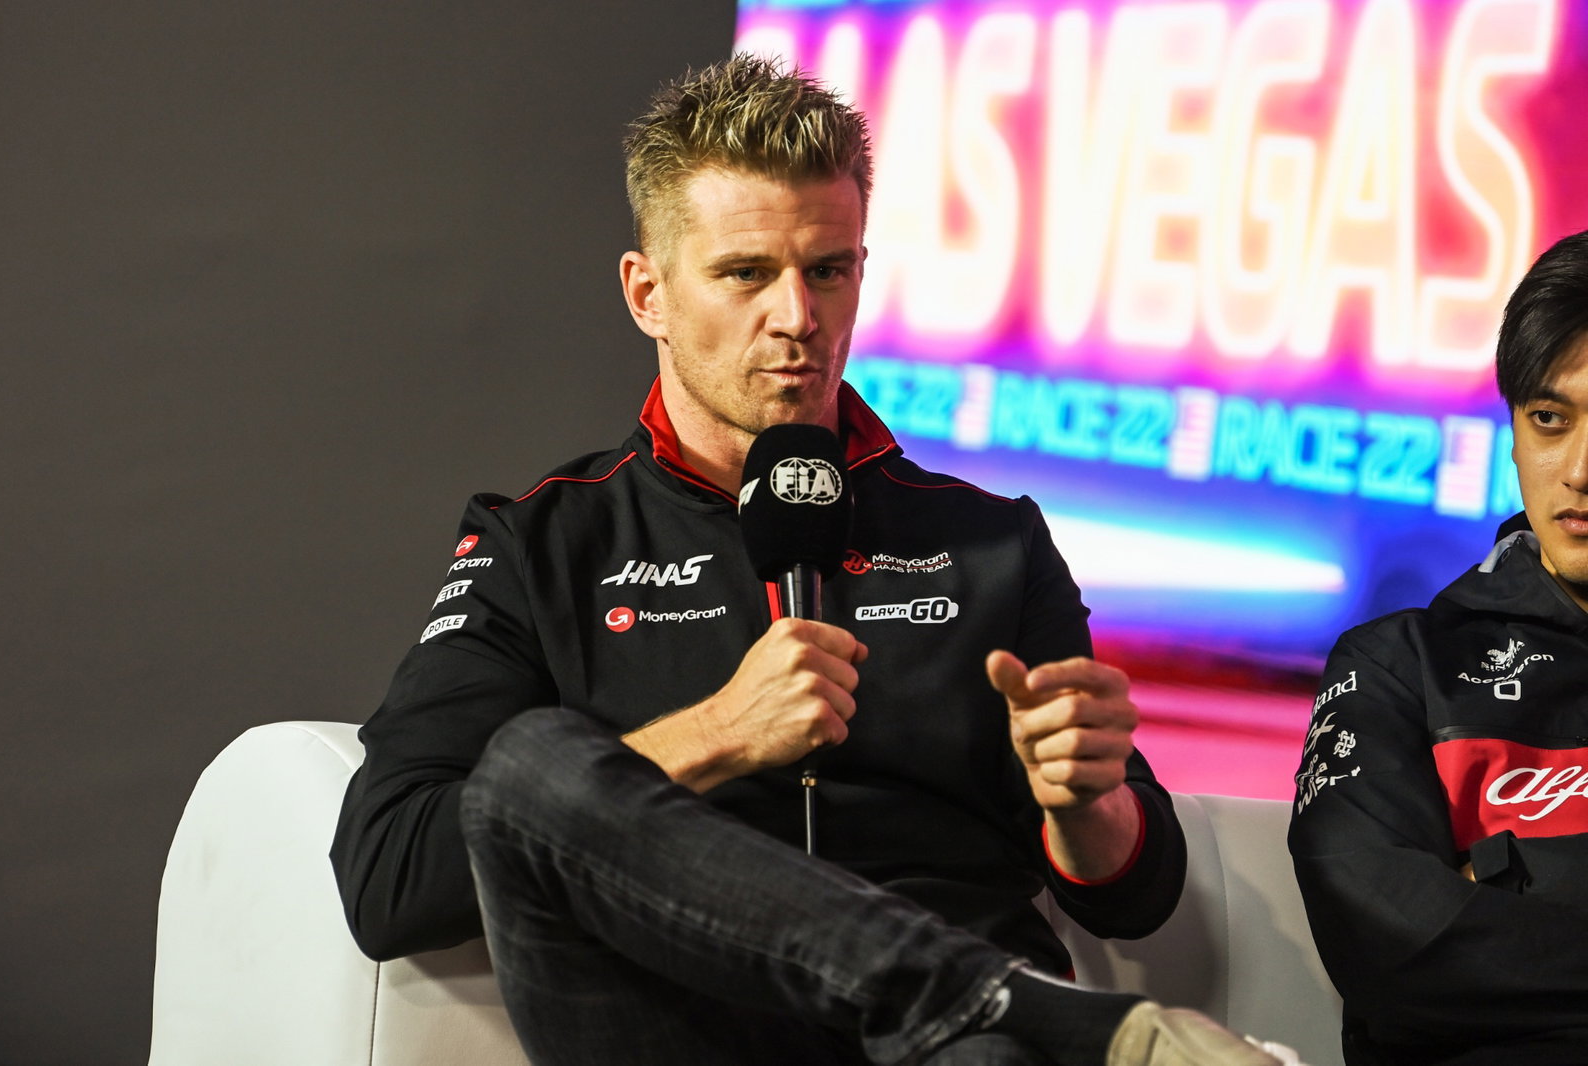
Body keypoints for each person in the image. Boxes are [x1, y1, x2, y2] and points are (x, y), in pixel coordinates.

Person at [331, 54, 1287, 1066]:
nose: (797, 316)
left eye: (827, 270)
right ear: (648, 294)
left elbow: (1136, 893)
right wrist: (715, 734)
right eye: (745, 273)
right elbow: (391, 876)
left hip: (953, 1057)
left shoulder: (990, 540)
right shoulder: (542, 542)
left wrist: (1087, 802)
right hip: (680, 1030)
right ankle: (1017, 1010)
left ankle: (986, 1014)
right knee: (533, 767)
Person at [1288, 228, 1588, 1064]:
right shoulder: (1397, 667)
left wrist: (1505, 905)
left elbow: (1461, 946)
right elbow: (1394, 944)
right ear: (1515, 433)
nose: (1579, 470)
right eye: (1550, 420)